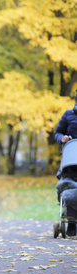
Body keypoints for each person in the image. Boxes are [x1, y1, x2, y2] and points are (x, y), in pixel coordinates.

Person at [54, 89, 77, 237]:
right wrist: (62, 138)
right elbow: (57, 132)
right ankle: (71, 224)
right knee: (69, 188)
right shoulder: (69, 115)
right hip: (71, 161)